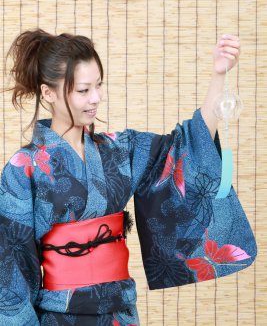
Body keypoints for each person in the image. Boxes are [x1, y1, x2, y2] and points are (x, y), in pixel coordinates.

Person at [0, 29, 257, 326]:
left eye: (99, 85)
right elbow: (11, 267)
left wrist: (219, 75)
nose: (96, 98)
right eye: (83, 90)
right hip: (61, 315)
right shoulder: (23, 168)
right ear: (48, 93)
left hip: (120, 311)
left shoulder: (118, 149)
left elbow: (184, 146)